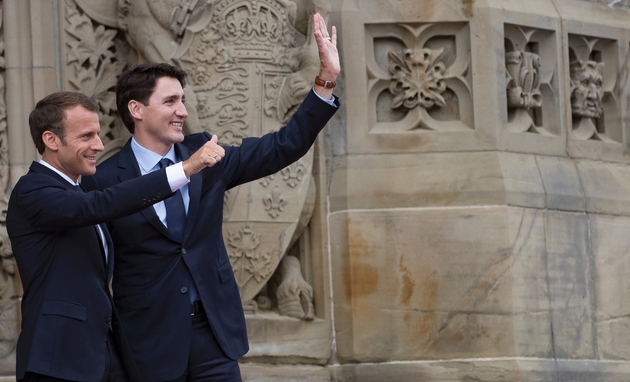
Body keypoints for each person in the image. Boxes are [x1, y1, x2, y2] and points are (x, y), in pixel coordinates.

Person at [81, 13, 340, 382]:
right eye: (170, 101)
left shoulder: (208, 154)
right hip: (146, 344)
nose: (183, 111)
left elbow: (284, 146)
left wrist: (325, 81)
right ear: (136, 109)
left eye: (183, 100)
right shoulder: (103, 180)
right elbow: (91, 272)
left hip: (215, 337)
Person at [7, 92, 219, 382]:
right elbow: (100, 204)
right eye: (87, 136)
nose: (99, 145)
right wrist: (184, 170)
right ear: (51, 140)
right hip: (57, 359)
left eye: (98, 133)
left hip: (102, 356)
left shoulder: (78, 190)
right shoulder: (32, 190)